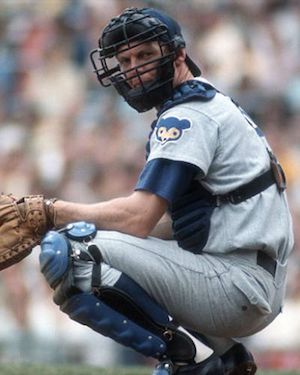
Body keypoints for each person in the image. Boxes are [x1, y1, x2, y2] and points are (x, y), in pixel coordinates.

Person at [38, 7, 294, 375]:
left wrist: (52, 211)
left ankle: (189, 359)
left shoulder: (187, 115)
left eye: (144, 55)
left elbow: (139, 218)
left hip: (234, 283)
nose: (133, 68)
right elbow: (166, 224)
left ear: (177, 56)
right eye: (125, 60)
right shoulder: (206, 102)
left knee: (71, 251)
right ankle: (222, 355)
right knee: (87, 239)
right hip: (246, 280)